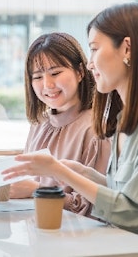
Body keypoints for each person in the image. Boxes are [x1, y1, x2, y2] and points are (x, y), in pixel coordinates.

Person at [2, 2, 138, 254]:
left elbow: (133, 212)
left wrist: (60, 172)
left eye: (94, 49)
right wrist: (80, 171)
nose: (89, 64)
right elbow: (121, 191)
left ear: (127, 48)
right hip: (127, 245)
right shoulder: (129, 116)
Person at [10, 32, 110, 217]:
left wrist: (37, 190)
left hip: (76, 236)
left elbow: (92, 208)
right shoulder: (39, 124)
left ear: (80, 72)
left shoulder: (96, 129)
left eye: (55, 73)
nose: (47, 84)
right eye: (38, 77)